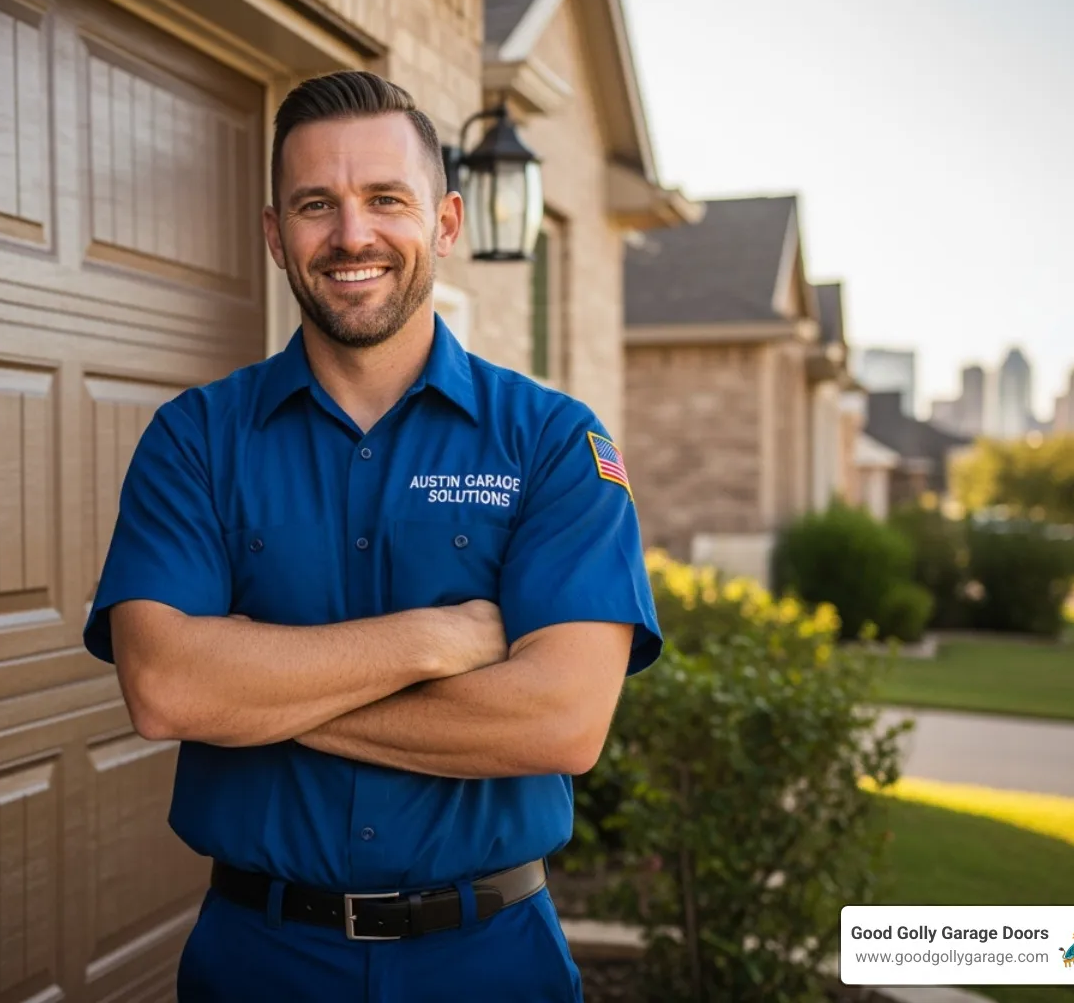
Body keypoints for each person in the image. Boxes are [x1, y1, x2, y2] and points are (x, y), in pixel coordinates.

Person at [83, 70, 662, 1003]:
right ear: (275, 235)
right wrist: (432, 640)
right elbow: (164, 688)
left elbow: (562, 719)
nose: (352, 235)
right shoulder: (195, 439)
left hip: (491, 962)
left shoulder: (553, 443)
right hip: (259, 962)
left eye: (386, 199)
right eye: (316, 204)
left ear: (447, 222)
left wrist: (255, 694)